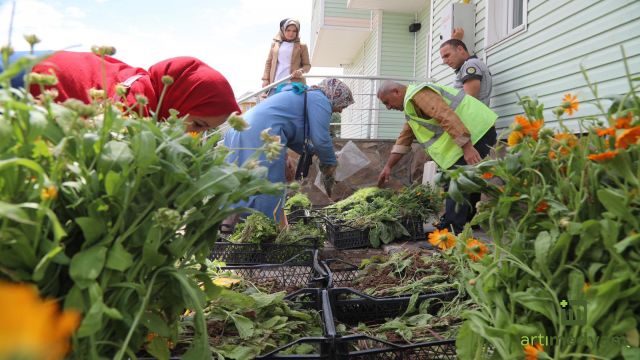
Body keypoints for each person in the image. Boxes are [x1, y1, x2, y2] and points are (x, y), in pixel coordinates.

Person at [5, 51, 240, 132]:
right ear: (178, 99)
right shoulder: (134, 107)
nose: (195, 135)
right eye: (198, 124)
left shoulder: (145, 88)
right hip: (15, 76)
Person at [223, 78, 354, 223]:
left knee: (238, 184)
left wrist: (311, 151)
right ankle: (265, 236)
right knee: (268, 188)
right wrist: (330, 163)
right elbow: (321, 139)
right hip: (260, 134)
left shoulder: (304, 96)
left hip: (239, 130)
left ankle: (228, 232)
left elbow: (294, 134)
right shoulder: (320, 98)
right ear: (336, 96)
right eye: (343, 105)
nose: (341, 110)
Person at [376, 81, 497, 234]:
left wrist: (467, 147)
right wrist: (388, 166)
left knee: (456, 181)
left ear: (396, 92)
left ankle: (453, 232)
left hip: (478, 132)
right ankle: (468, 224)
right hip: (477, 132)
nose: (388, 107)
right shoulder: (411, 108)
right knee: (467, 179)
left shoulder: (419, 94)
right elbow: (404, 139)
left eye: (387, 102)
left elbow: (445, 115)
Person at [439, 28, 492, 106]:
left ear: (460, 49)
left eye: (447, 55)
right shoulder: (469, 65)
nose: (445, 61)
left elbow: (470, 102)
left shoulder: (470, 65)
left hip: (471, 118)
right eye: (443, 58)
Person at [261, 18, 311, 93]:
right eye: (288, 30)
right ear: (283, 30)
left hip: (293, 85)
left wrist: (300, 71)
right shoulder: (275, 45)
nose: (291, 33)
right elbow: (268, 63)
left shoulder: (302, 46)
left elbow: (307, 65)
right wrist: (265, 80)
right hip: (275, 84)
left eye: (294, 31)